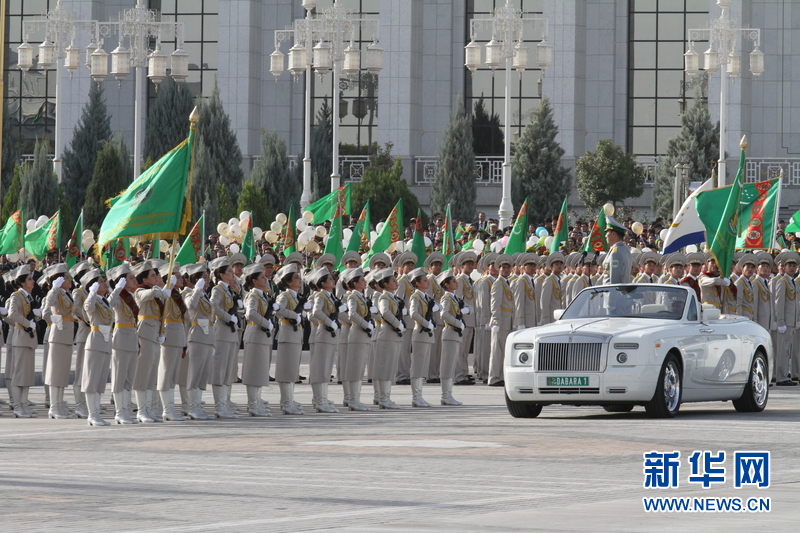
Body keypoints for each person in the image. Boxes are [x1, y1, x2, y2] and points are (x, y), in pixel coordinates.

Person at [132, 260, 167, 423]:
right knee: (143, 373)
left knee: (152, 374)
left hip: (155, 334)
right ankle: (141, 410)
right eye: (152, 276)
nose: (156, 278)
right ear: (144, 280)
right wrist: (160, 290)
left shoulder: (155, 292)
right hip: (145, 333)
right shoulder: (140, 291)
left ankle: (149, 408)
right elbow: (146, 295)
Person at [183, 263, 217, 420]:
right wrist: (197, 288)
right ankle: (192, 407)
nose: (207, 280)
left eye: (207, 277)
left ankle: (197, 405)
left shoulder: (205, 295)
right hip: (196, 336)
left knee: (202, 374)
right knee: (194, 374)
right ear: (195, 280)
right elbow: (190, 306)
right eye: (203, 278)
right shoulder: (189, 293)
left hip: (207, 336)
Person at [106, 265, 140, 424]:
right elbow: (108, 304)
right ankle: (119, 412)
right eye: (131, 278)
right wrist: (117, 289)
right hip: (121, 338)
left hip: (132, 338)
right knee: (119, 377)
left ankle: (125, 409)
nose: (134, 280)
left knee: (129, 377)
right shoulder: (119, 296)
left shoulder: (132, 296)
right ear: (122, 280)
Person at [242, 262, 276, 417]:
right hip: (255, 333)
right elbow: (250, 313)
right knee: (254, 370)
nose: (266, 279)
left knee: (261, 370)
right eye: (262, 277)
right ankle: (252, 404)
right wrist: (265, 322)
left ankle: (257, 401)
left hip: (262, 335)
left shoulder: (263, 295)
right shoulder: (253, 296)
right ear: (254, 281)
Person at [41, 265, 75, 419]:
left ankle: (59, 404)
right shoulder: (54, 293)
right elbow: (48, 306)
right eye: (66, 278)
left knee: (62, 372)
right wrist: (54, 289)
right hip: (58, 334)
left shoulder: (67, 294)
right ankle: (54, 407)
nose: (69, 280)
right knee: (56, 372)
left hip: (67, 335)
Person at [7, 265, 41, 418]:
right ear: (22, 282)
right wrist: (28, 323)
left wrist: (37, 316)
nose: (32, 281)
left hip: (28, 339)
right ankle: (18, 406)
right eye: (29, 279)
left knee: (27, 375)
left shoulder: (29, 297)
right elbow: (12, 314)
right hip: (21, 337)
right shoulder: (16, 296)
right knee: (19, 375)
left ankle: (24, 405)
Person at [210, 257, 241, 418]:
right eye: (229, 271)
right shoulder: (218, 289)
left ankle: (225, 402)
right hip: (221, 331)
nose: (232, 273)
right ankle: (219, 406)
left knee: (229, 369)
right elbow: (213, 306)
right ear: (221, 274)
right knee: (220, 369)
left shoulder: (229, 290)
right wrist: (228, 318)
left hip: (230, 332)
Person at [274, 264, 308, 414]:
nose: (299, 279)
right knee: (286, 368)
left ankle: (289, 399)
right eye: (296, 277)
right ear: (288, 282)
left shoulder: (296, 296)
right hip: (287, 333)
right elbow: (278, 309)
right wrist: (294, 315)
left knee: (293, 368)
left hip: (295, 334)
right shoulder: (284, 296)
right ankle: (286, 402)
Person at [81, 270, 113, 426]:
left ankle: (97, 413)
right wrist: (92, 293)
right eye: (100, 281)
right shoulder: (92, 300)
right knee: (92, 379)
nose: (104, 283)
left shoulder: (104, 300)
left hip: (106, 341)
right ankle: (92, 415)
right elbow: (88, 308)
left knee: (100, 380)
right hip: (95, 340)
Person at [157, 263, 188, 421]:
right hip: (169, 334)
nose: (181, 278)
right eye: (177, 275)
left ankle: (170, 407)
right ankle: (166, 409)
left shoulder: (176, 294)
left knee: (173, 375)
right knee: (166, 373)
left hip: (178, 335)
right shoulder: (166, 294)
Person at [374, 268, 404, 409]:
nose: (395, 282)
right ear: (385, 284)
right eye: (392, 281)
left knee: (390, 367)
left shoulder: (394, 298)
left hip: (393, 335)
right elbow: (385, 312)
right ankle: (383, 398)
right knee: (385, 367)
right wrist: (398, 324)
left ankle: (385, 397)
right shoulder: (384, 297)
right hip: (387, 333)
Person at [343, 268, 373, 411]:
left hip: (363, 334)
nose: (365, 282)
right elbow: (352, 314)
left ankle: (356, 398)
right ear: (355, 284)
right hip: (357, 332)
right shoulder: (352, 297)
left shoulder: (362, 297)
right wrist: (365, 324)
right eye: (362, 280)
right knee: (355, 367)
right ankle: (353, 400)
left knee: (360, 367)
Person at [408, 267, 435, 407]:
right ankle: (416, 397)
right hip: (420, 333)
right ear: (417, 283)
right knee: (417, 366)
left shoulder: (426, 297)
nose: (427, 282)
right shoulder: (415, 296)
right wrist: (426, 324)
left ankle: (420, 395)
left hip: (426, 335)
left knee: (422, 366)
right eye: (424, 280)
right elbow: (413, 313)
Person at [437, 270, 464, 406]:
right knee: (447, 365)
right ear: (446, 285)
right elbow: (444, 314)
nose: (456, 282)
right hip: (450, 331)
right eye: (453, 281)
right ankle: (445, 396)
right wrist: (458, 323)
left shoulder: (454, 298)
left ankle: (448, 394)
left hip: (454, 333)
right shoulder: (446, 298)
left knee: (451, 364)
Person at [488, 255, 514, 387]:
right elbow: (495, 304)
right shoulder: (498, 283)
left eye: (508, 267)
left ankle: (500, 375)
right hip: (501, 320)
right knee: (496, 350)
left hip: (507, 319)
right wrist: (496, 321)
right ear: (499, 269)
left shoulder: (507, 282)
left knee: (503, 350)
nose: (506, 269)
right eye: (503, 267)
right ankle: (493, 377)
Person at [601, 216, 632, 284]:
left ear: (613, 234)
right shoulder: (624, 248)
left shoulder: (616, 252)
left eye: (607, 232)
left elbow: (615, 281)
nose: (606, 236)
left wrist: (614, 294)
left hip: (612, 293)